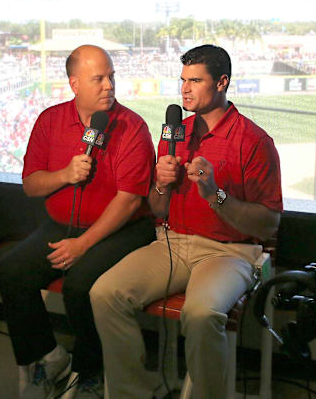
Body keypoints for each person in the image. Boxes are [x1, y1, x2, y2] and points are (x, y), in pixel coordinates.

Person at [90, 44, 283, 399]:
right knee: (105, 293)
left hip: (230, 252)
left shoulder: (254, 141)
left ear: (222, 82)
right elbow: (158, 208)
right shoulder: (175, 132)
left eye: (195, 80)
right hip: (173, 242)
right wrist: (160, 183)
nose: (185, 90)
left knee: (200, 313)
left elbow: (269, 224)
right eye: (183, 80)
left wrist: (215, 195)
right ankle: (132, 393)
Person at [0, 44, 156, 398]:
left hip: (125, 230)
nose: (109, 86)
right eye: (98, 78)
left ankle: (90, 370)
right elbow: (31, 184)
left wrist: (82, 245)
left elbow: (129, 202)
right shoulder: (50, 121)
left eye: (111, 77)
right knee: (11, 271)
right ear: (74, 84)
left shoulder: (132, 127)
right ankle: (47, 357)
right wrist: (65, 175)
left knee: (80, 285)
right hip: (62, 226)